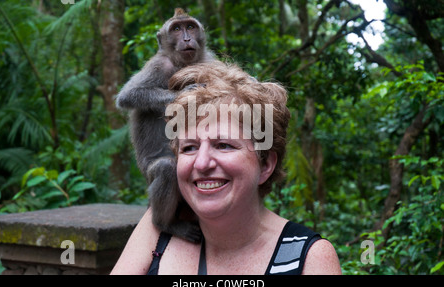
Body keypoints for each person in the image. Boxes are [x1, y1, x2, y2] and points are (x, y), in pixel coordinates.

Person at [111, 62, 341, 275]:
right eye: (189, 148)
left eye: (223, 145)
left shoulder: (309, 257)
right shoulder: (158, 228)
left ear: (266, 165)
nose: (201, 163)